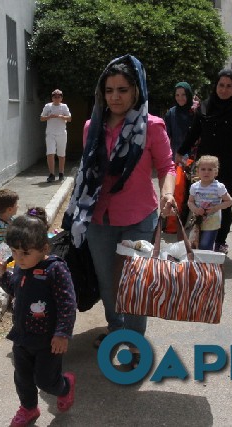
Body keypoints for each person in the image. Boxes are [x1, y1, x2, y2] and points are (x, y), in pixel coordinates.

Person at [62, 54, 176, 358]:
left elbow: (168, 167)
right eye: (109, 90)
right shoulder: (91, 127)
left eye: (122, 89)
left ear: (136, 90)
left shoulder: (153, 126)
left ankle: (135, 341)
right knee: (108, 280)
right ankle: (116, 329)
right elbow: (87, 171)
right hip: (99, 218)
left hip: (139, 217)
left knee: (136, 283)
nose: (115, 96)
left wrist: (168, 193)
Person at [0, 207, 77, 427]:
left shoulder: (55, 270)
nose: (19, 258)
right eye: (14, 252)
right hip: (22, 337)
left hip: (48, 341)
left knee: (46, 381)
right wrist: (4, 276)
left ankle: (66, 385)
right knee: (22, 378)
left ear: (44, 249)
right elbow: (16, 289)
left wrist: (62, 334)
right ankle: (28, 408)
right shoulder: (21, 267)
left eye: (25, 253)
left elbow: (67, 303)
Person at [176, 68, 232, 254]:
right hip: (207, 166)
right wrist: (180, 152)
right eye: (221, 85)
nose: (224, 90)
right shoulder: (204, 107)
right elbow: (194, 133)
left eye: (229, 86)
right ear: (215, 85)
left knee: (222, 203)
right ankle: (200, 239)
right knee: (201, 201)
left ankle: (220, 241)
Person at [187, 156, 232, 250]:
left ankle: (206, 263)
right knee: (195, 244)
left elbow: (229, 201)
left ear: (216, 172)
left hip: (212, 221)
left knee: (205, 244)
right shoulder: (195, 187)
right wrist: (195, 209)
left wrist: (215, 208)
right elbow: (190, 202)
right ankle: (198, 263)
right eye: (203, 169)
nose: (206, 172)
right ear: (198, 171)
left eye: (210, 169)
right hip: (197, 221)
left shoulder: (218, 187)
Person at [40, 89, 71, 182]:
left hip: (61, 133)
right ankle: (51, 174)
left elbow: (69, 118)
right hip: (50, 133)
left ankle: (61, 173)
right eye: (55, 96)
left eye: (58, 97)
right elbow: (41, 118)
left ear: (61, 98)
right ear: (52, 98)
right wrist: (49, 116)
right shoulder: (47, 106)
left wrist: (61, 116)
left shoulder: (64, 106)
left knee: (61, 154)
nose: (56, 98)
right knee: (50, 153)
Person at [164, 82, 196, 160]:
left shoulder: (196, 112)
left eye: (183, 94)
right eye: (177, 95)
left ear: (188, 95)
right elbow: (166, 138)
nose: (180, 98)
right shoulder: (171, 114)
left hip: (194, 157)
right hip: (177, 156)